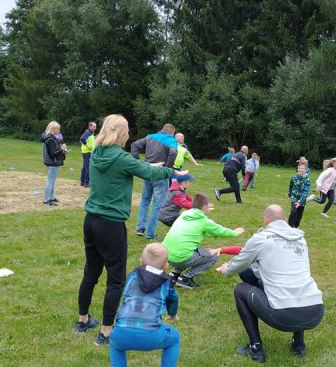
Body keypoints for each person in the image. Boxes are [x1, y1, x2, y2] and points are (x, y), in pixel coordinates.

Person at [76, 114, 187, 346]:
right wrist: (170, 171)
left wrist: (147, 164)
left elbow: (136, 166)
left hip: (91, 221)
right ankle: (106, 332)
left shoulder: (97, 152)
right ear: (119, 133)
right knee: (116, 280)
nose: (129, 136)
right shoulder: (119, 157)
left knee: (91, 273)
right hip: (110, 225)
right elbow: (148, 173)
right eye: (127, 132)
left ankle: (83, 319)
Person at [216, 205, 324, 363]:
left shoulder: (260, 238)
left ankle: (256, 349)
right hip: (315, 311)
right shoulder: (301, 238)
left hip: (284, 315)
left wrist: (225, 269)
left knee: (240, 290)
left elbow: (234, 268)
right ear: (284, 219)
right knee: (292, 285)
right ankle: (298, 344)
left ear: (265, 220)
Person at [109, 243, 181, 367]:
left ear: (141, 260)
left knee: (115, 344)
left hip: (121, 331)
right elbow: (173, 299)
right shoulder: (166, 282)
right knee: (174, 337)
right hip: (152, 334)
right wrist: (173, 314)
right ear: (166, 265)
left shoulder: (132, 275)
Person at [163, 192, 244, 289]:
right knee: (214, 254)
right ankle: (185, 278)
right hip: (181, 257)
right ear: (205, 207)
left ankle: (174, 274)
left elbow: (200, 231)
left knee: (186, 248)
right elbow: (222, 231)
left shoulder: (184, 214)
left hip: (165, 254)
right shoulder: (204, 221)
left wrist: (211, 232)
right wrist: (235, 232)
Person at [130, 124, 179, 240]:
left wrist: (138, 163)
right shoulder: (171, 140)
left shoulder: (150, 137)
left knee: (145, 200)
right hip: (160, 174)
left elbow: (134, 145)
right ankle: (150, 233)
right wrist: (167, 168)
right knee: (158, 204)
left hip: (147, 171)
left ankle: (140, 228)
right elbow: (173, 152)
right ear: (172, 133)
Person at [41, 121, 67, 206]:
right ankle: (47, 200)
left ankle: (51, 197)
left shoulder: (49, 137)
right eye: (58, 129)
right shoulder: (50, 139)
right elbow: (53, 153)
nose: (59, 131)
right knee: (50, 181)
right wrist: (62, 149)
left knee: (52, 181)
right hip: (52, 162)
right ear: (53, 129)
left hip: (51, 162)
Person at [288, 163, 311, 228]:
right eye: (299, 168)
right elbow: (291, 186)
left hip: (302, 200)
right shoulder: (294, 178)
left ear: (306, 170)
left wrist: (300, 202)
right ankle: (290, 226)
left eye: (302, 168)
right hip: (294, 198)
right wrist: (290, 194)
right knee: (293, 212)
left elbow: (305, 192)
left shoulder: (308, 180)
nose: (300, 169)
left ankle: (296, 226)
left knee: (299, 216)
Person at [79, 121, 97, 187]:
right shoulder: (88, 132)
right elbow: (82, 139)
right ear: (90, 126)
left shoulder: (90, 133)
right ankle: (86, 183)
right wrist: (88, 146)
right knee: (88, 167)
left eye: (95, 127)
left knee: (85, 167)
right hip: (87, 152)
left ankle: (82, 182)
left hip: (87, 152)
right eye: (94, 126)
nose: (95, 128)